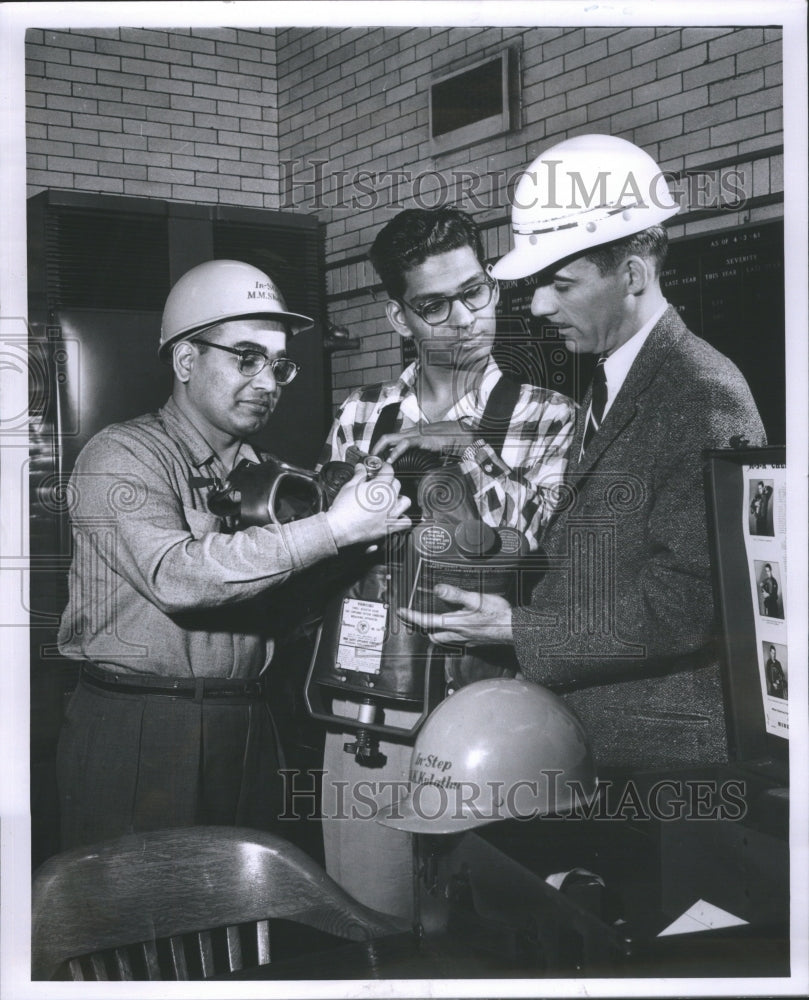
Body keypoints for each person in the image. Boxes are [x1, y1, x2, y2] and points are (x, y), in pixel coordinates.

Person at [400, 135, 767, 773]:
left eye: (561, 284)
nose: (540, 306)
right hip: (583, 739)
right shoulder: (607, 379)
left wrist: (519, 630)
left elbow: (689, 605)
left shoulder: (701, 395)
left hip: (659, 762)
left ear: (631, 275)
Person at [56, 259, 409, 851]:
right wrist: (333, 528)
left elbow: (284, 609)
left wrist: (361, 541)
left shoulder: (266, 474)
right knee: (142, 925)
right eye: (246, 358)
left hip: (247, 720)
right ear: (186, 360)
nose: (268, 382)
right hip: (141, 724)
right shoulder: (120, 457)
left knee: (249, 917)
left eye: (278, 364)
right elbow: (178, 576)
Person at [317, 207, 575, 917]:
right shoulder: (359, 414)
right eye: (434, 305)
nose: (462, 318)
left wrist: (464, 451)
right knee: (366, 917)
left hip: (490, 713)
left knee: (480, 926)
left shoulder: (547, 415)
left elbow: (540, 548)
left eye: (475, 292)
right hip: (368, 708)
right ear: (398, 316)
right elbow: (319, 557)